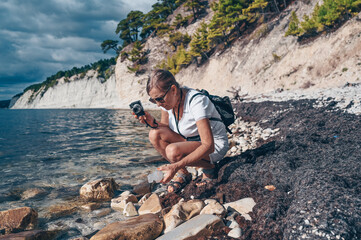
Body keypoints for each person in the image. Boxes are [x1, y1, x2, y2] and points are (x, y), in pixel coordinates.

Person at [134, 69, 229, 193]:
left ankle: (210, 168)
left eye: (159, 99)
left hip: (214, 146)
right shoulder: (167, 103)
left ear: (173, 89)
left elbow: (208, 145)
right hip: (191, 141)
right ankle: (184, 173)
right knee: (154, 134)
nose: (158, 104)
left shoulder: (196, 101)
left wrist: (175, 165)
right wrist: (153, 123)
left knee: (172, 151)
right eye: (153, 100)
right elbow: (167, 129)